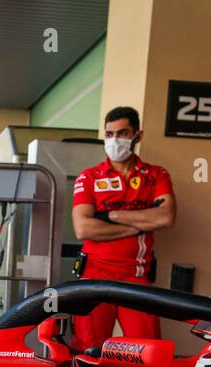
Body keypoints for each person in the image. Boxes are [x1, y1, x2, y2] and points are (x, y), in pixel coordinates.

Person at [70, 106, 176, 350]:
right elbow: (83, 228)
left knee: (148, 352)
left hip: (136, 277)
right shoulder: (89, 177)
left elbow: (165, 218)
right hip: (94, 276)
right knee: (87, 350)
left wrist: (111, 215)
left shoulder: (156, 175)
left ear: (138, 135)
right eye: (109, 134)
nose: (114, 140)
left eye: (123, 133)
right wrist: (138, 225)